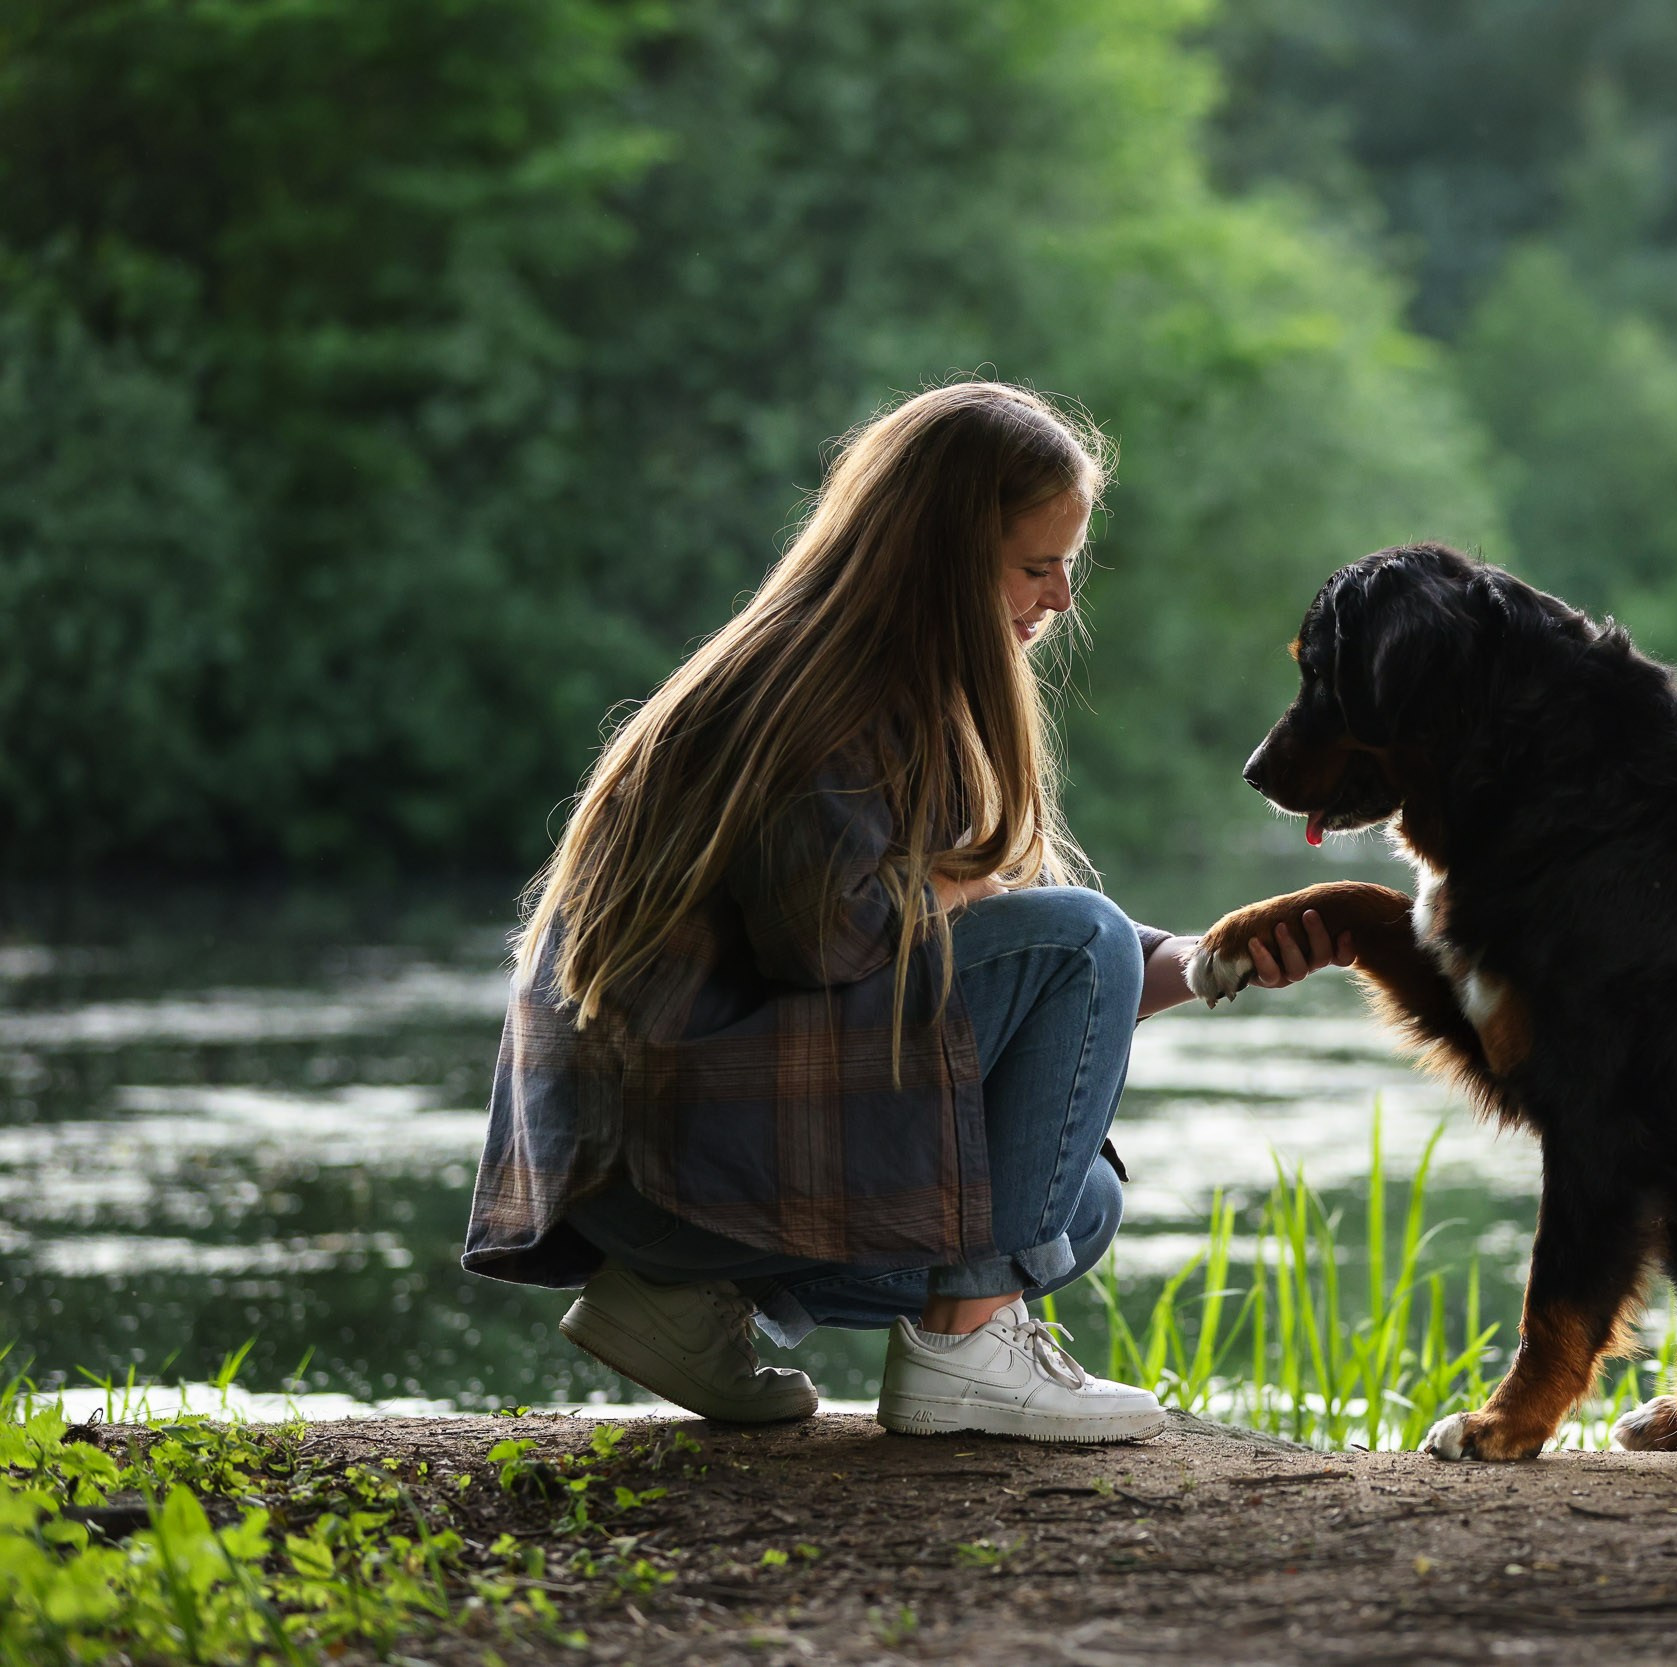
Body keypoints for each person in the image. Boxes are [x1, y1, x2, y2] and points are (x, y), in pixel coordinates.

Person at [462, 382, 1349, 1441]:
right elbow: (829, 934)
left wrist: (1207, 961)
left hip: (669, 1170)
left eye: (1070, 563)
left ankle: (682, 1303)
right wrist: (997, 899)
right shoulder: (821, 688)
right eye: (1034, 565)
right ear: (939, 556)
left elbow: (969, 970)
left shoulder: (882, 680)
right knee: (1080, 939)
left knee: (1077, 1205)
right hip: (652, 1165)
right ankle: (970, 1345)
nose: (1064, 595)